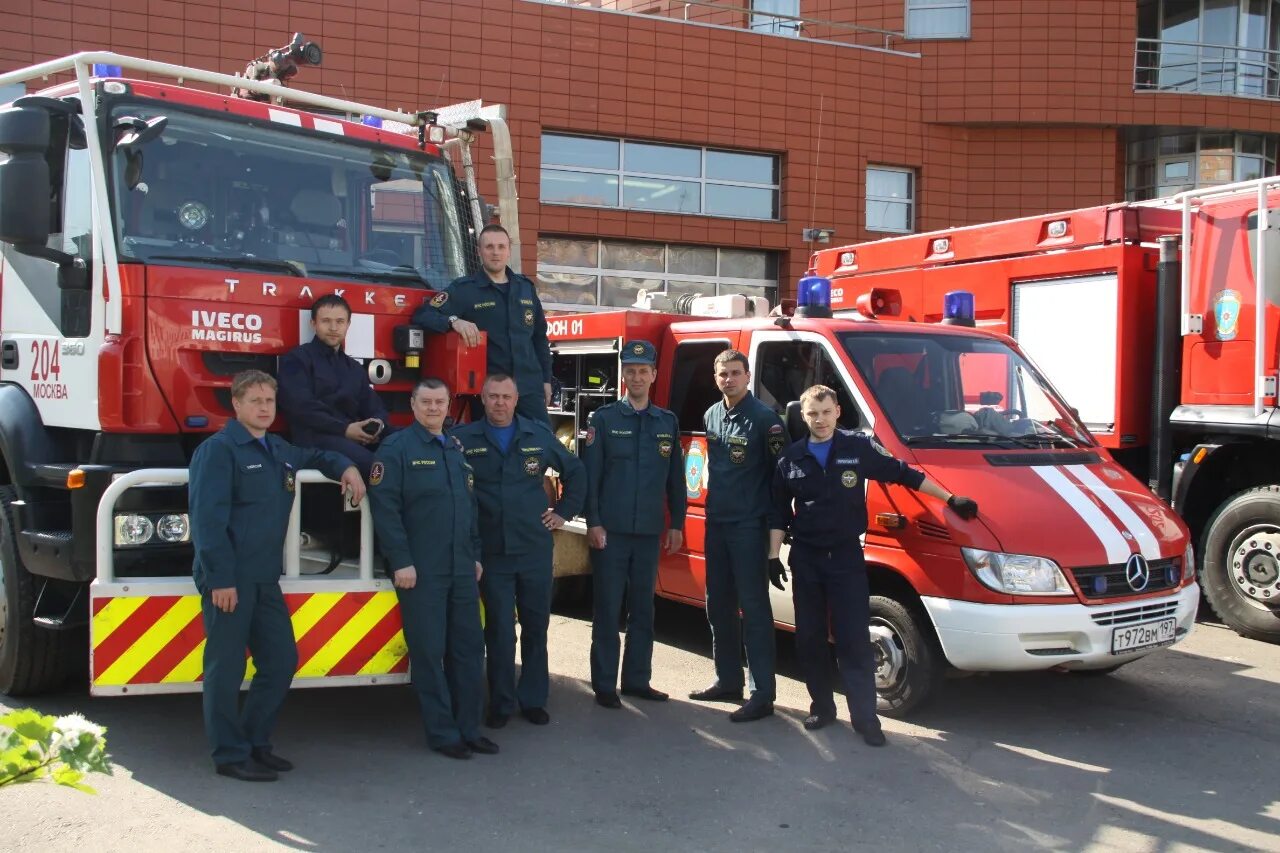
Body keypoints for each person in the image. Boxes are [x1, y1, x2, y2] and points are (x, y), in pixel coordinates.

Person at [770, 385, 979, 747]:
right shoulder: (790, 459)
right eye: (811, 414)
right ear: (801, 417)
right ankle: (821, 706)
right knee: (810, 638)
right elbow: (777, 512)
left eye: (825, 411)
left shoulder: (857, 448)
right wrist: (773, 556)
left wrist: (950, 498)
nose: (819, 420)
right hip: (806, 558)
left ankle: (865, 717)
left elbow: (904, 473)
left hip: (847, 558)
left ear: (837, 411)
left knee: (853, 639)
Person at [189, 369, 365, 782]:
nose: (265, 408)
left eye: (269, 401)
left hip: (265, 576)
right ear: (236, 405)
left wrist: (347, 468)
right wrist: (221, 579)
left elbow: (318, 456)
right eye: (255, 401)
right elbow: (207, 522)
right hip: (230, 578)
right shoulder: (218, 451)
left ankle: (254, 743)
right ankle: (229, 755)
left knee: (281, 660)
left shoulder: (279, 449)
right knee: (226, 668)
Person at [368, 378, 498, 761]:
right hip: (421, 570)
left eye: (440, 402)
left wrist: (474, 556)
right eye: (425, 402)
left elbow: (469, 509)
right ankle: (443, 733)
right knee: (428, 652)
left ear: (447, 405)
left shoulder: (455, 449)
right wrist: (401, 561)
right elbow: (385, 510)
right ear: (412, 404)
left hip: (460, 568)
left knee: (469, 650)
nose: (433, 408)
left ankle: (469, 728)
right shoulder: (396, 449)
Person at [452, 374, 585, 728]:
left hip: (533, 549)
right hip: (492, 550)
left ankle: (533, 700)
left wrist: (563, 514)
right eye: (493, 396)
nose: (500, 403)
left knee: (536, 627)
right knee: (498, 630)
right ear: (482, 398)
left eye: (506, 397)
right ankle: (500, 702)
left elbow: (575, 471)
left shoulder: (538, 434)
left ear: (515, 399)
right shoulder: (464, 440)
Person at [583, 340, 687, 709]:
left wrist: (676, 523)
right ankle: (605, 685)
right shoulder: (604, 420)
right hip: (610, 533)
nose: (637, 376)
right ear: (623, 374)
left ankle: (637, 681)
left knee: (643, 610)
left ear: (654, 375)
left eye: (644, 371)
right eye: (631, 370)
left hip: (647, 533)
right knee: (608, 610)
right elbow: (590, 478)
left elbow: (676, 480)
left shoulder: (667, 422)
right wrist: (593, 522)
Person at [689, 349, 787, 723]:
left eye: (734, 373)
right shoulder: (712, 414)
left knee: (755, 611)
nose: (728, 379)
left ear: (748, 376)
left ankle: (762, 693)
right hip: (718, 524)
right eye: (722, 374)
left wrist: (776, 539)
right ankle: (727, 680)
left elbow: (782, 480)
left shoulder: (767, 421)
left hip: (750, 527)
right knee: (718, 606)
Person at [411, 224, 553, 422]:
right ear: (479, 251)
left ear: (509, 251)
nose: (496, 253)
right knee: (491, 450)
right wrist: (454, 321)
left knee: (540, 445)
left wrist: (546, 380)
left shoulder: (525, 288)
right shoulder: (464, 290)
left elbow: (539, 338)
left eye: (501, 247)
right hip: (490, 393)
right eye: (489, 247)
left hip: (529, 388)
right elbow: (423, 315)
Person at [277, 294, 391, 480]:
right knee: (377, 467)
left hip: (355, 436)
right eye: (326, 321)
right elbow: (301, 408)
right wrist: (345, 429)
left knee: (408, 444)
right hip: (315, 439)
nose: (333, 328)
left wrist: (377, 425)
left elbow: (376, 407)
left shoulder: (353, 368)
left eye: (340, 321)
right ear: (314, 324)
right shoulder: (296, 359)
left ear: (348, 324)